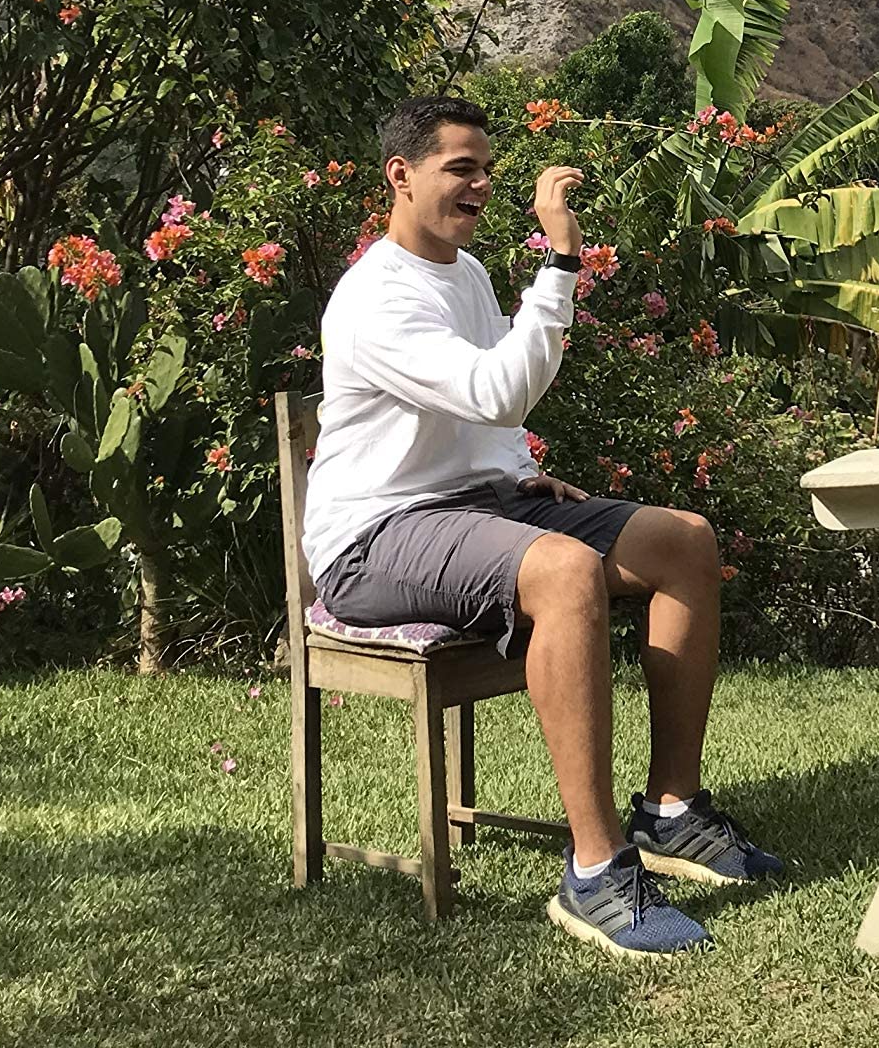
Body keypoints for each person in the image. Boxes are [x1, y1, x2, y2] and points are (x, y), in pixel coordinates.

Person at [303, 94, 784, 958]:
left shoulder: (465, 273)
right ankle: (597, 870)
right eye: (461, 168)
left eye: (486, 169)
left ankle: (672, 809)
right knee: (564, 569)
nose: (481, 184)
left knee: (684, 540)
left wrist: (515, 470)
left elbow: (492, 412)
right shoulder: (374, 296)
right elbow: (497, 389)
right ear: (400, 175)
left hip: (478, 506)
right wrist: (561, 258)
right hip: (376, 539)